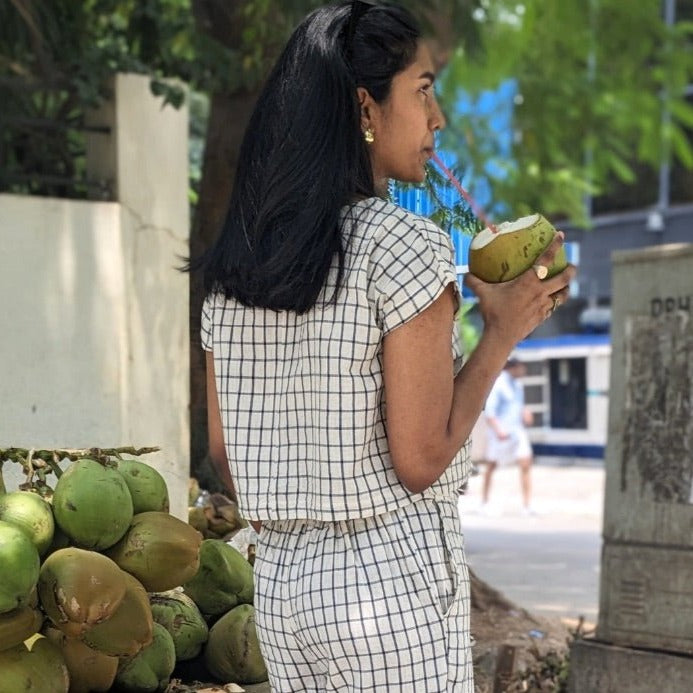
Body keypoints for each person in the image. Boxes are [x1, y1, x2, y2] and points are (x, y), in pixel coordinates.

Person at [192, 1, 575, 691]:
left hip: (279, 587)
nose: (438, 119)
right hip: (386, 586)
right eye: (423, 90)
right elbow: (422, 455)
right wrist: (501, 333)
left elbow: (225, 453)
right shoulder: (402, 243)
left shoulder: (236, 265)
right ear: (364, 107)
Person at [480, 358, 536, 515]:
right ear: (513, 367)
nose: (523, 371)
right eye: (521, 367)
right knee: (491, 466)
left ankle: (527, 504)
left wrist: (525, 412)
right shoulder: (498, 384)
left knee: (526, 463)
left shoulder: (518, 385)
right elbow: (490, 412)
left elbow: (517, 405)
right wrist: (499, 431)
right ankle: (484, 501)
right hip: (500, 433)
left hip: (517, 431)